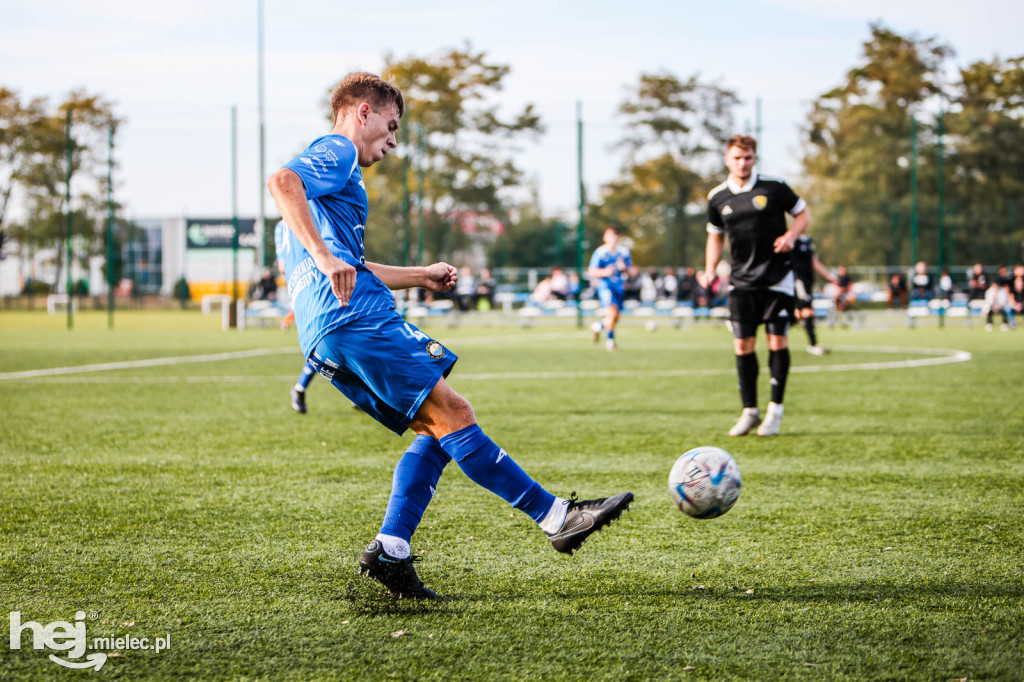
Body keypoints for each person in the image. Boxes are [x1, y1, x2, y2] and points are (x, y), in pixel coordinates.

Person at [266, 72, 632, 599]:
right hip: (356, 319)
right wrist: (325, 258)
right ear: (363, 112)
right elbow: (282, 182)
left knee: (435, 427)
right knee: (454, 414)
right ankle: (556, 517)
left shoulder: (316, 201)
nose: (393, 142)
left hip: (325, 335)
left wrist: (419, 275)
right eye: (391, 127)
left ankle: (391, 549)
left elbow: (351, 260)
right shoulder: (337, 151)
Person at [700, 134, 810, 437]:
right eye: (737, 157)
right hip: (741, 280)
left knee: (777, 342)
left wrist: (791, 237)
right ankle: (749, 411)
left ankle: (775, 410)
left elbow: (803, 215)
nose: (742, 163)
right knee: (742, 345)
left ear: (754, 158)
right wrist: (710, 269)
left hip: (777, 277)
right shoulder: (718, 196)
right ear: (727, 159)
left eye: (747, 157)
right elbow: (715, 235)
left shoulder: (774, 187)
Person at [274, 221, 319, 414]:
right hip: (307, 289)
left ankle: (362, 394)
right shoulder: (285, 226)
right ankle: (300, 388)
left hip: (318, 285)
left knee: (335, 339)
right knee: (322, 342)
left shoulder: (313, 213)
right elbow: (283, 267)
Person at [587, 226, 637, 351]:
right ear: (605, 237)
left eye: (615, 235)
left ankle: (597, 326)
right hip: (606, 286)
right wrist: (605, 272)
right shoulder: (600, 252)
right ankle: (611, 342)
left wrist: (624, 267)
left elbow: (632, 271)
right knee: (612, 312)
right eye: (610, 235)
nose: (613, 238)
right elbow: (591, 271)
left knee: (615, 317)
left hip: (619, 287)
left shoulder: (624, 252)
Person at [790, 234, 839, 355]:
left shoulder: (809, 241)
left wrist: (830, 277)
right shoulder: (791, 239)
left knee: (798, 313)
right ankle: (813, 344)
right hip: (798, 281)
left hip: (808, 281)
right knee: (807, 311)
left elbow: (815, 263)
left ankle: (776, 330)